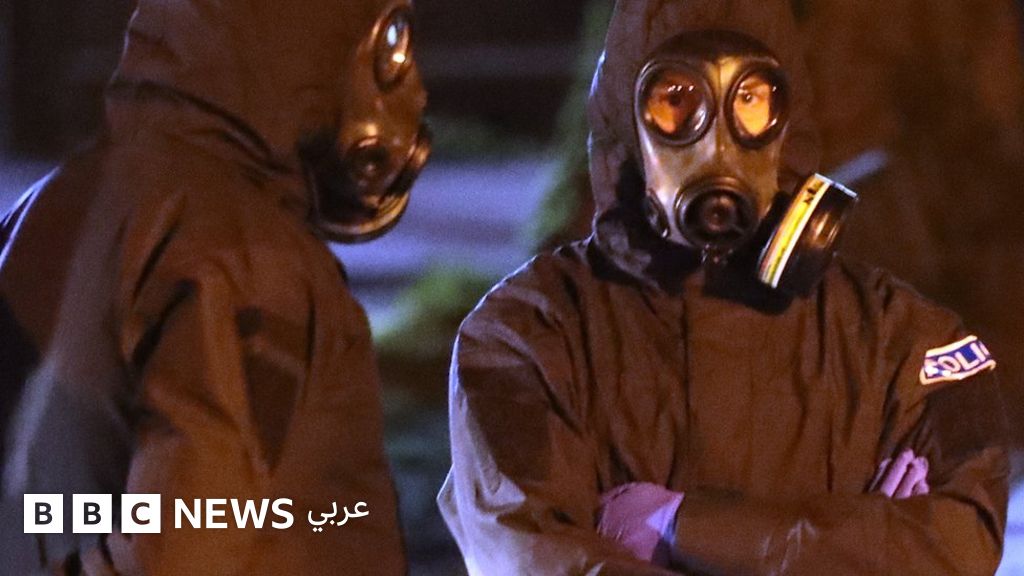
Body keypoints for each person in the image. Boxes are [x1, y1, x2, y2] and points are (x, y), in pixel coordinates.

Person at [438, 1, 1009, 574]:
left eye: (749, 100)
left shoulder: (898, 340)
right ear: (627, 121)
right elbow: (527, 554)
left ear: (787, 118)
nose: (716, 142)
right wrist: (858, 544)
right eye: (676, 101)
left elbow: (962, 541)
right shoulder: (528, 337)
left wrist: (676, 527)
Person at [0, 0, 429, 573]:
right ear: (308, 52)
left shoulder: (44, 208)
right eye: (388, 48)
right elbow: (185, 541)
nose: (414, 92)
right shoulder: (246, 256)